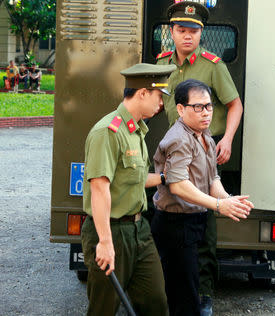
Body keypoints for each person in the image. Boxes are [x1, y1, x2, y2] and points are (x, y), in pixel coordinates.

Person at [155, 2, 244, 314]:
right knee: (174, 224)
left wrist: (228, 140)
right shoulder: (162, 63)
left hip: (206, 148)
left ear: (201, 33)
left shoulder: (213, 65)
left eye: (193, 31)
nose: (187, 36)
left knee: (204, 229)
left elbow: (235, 104)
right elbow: (155, 103)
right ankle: (175, 293)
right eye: (181, 30)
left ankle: (203, 296)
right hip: (177, 147)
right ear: (172, 33)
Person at [151, 79, 253, 316]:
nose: (206, 113)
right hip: (175, 225)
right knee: (181, 298)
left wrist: (229, 200)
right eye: (198, 107)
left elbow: (211, 179)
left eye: (209, 106)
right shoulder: (179, 138)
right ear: (180, 109)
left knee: (191, 291)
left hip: (194, 223)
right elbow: (177, 185)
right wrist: (218, 205)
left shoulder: (204, 134)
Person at [81, 63, 177, 316]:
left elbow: (134, 178)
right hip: (111, 230)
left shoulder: (136, 131)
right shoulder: (108, 132)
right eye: (159, 97)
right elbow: (100, 189)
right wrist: (105, 242)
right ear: (143, 93)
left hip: (139, 230)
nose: (161, 104)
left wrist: (165, 178)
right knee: (104, 308)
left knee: (156, 303)